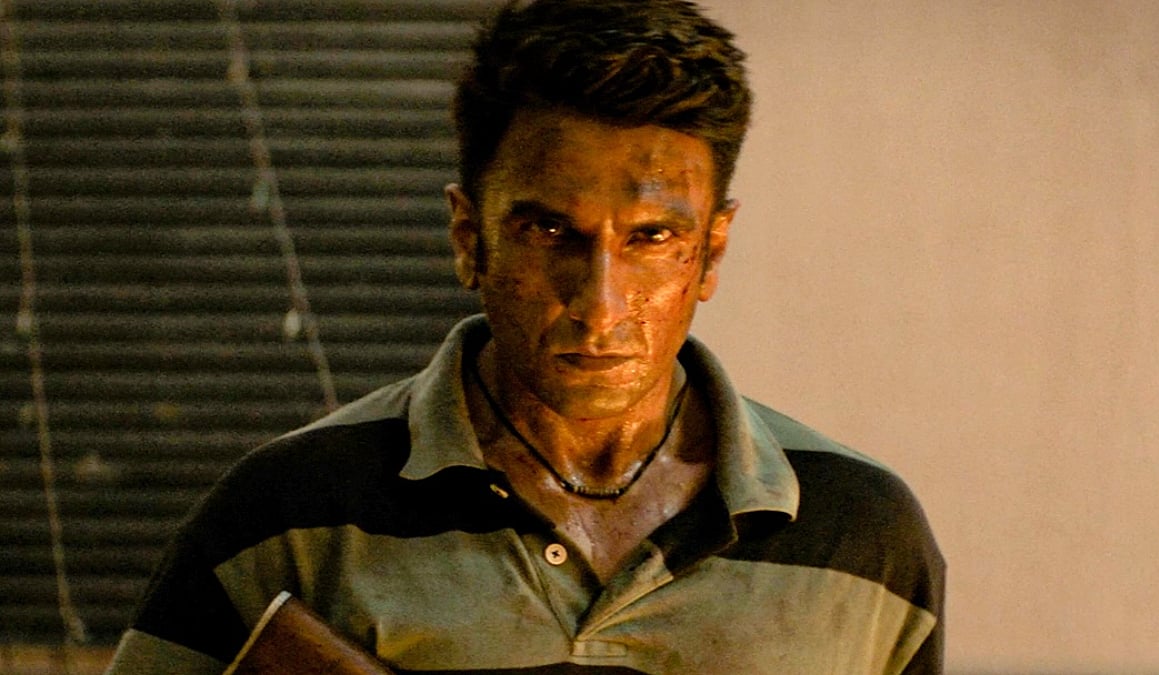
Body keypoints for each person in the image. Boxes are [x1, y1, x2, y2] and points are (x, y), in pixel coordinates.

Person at [106, 0, 944, 673]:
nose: (600, 304)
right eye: (549, 232)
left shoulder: (861, 532)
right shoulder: (284, 517)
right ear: (468, 237)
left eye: (651, 238)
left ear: (710, 252)